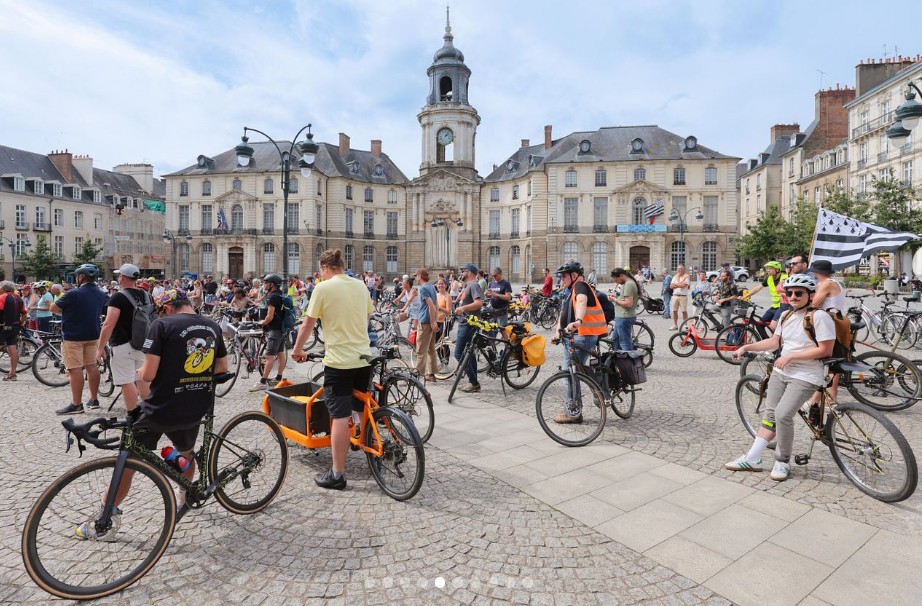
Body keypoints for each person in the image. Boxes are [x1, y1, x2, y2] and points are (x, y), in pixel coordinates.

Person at [74, 288, 229, 539]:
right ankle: (186, 494)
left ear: (166, 307)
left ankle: (105, 519)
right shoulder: (211, 325)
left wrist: (140, 373)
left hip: (161, 408)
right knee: (185, 452)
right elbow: (222, 366)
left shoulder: (162, 325)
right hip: (195, 404)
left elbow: (148, 374)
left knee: (129, 460)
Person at [727, 275, 835, 481]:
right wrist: (746, 347)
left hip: (807, 374)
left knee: (783, 414)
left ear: (811, 295)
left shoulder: (820, 317)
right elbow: (774, 342)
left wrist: (792, 356)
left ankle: (782, 461)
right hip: (781, 372)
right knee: (770, 415)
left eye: (799, 293)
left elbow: (825, 350)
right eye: (790, 292)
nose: (793, 296)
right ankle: (752, 458)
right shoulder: (785, 315)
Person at [292, 249, 374, 490]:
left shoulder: (323, 288)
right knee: (361, 408)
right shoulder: (360, 285)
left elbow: (308, 323)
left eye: (321, 271)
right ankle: (370, 452)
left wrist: (298, 349)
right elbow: (367, 316)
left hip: (339, 361)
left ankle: (337, 474)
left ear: (326, 268)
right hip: (363, 357)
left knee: (339, 416)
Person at [51, 264, 109, 414]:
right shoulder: (101, 293)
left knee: (75, 369)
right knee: (92, 366)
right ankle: (94, 399)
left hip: (73, 336)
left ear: (81, 277)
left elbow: (53, 308)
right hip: (93, 334)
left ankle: (76, 404)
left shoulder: (73, 293)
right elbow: (106, 310)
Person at [554, 261, 607, 423]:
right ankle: (595, 390)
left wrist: (578, 321)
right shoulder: (570, 291)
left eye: (564, 276)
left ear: (574, 275)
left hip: (583, 336)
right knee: (574, 371)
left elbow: (582, 301)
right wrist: (557, 333)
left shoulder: (580, 286)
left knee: (569, 373)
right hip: (574, 337)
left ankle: (573, 412)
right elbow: (563, 314)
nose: (562, 279)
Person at [96, 263, 152, 415]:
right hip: (142, 343)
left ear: (122, 278)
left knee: (126, 382)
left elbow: (109, 323)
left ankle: (132, 414)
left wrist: (100, 348)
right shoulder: (146, 295)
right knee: (142, 379)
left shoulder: (118, 297)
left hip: (122, 343)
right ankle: (149, 412)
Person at [250, 273, 288, 391]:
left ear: (272, 284)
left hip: (275, 329)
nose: (264, 284)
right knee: (280, 353)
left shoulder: (273, 297)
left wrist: (262, 322)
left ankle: (262, 382)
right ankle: (279, 377)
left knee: (269, 356)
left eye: (266, 282)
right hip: (282, 328)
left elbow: (270, 316)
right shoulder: (280, 294)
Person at [453, 263, 484, 393]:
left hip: (468, 325)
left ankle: (474, 382)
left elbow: (479, 303)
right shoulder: (468, 286)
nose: (461, 273)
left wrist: (463, 308)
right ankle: (473, 381)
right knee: (469, 354)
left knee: (458, 353)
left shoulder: (474, 285)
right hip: (465, 323)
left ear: (470, 272)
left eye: (463, 271)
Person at [742, 261, 788, 330]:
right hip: (773, 307)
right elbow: (757, 288)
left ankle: (776, 337)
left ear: (777, 269)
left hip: (782, 307)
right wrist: (745, 296)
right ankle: (766, 337)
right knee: (760, 325)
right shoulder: (769, 278)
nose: (768, 270)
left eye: (770, 268)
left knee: (775, 327)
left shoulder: (785, 278)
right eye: (767, 269)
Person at [413, 268, 439, 382]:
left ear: (420, 276)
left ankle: (416, 377)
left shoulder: (423, 288)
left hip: (425, 322)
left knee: (421, 351)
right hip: (430, 321)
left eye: (416, 276)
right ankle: (431, 375)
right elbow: (436, 305)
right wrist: (435, 321)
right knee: (431, 349)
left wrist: (433, 322)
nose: (415, 278)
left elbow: (431, 306)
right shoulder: (432, 287)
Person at [1, 281, 27, 381]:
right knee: (12, 348)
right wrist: (21, 323)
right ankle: (12, 373)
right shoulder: (19, 298)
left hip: (2, 326)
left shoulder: (3, 297)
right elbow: (24, 313)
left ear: (3, 288)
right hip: (15, 326)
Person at [609, 268, 639, 351]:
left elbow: (628, 304)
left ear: (621, 276)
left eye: (616, 280)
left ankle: (628, 358)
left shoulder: (629, 284)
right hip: (621, 317)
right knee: (616, 340)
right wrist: (617, 298)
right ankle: (619, 357)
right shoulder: (628, 283)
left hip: (624, 317)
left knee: (624, 343)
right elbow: (625, 299)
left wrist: (614, 300)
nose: (617, 282)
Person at [668, 265, 691, 330]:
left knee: (684, 311)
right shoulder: (675, 277)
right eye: (678, 269)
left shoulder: (686, 277)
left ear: (684, 270)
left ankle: (685, 325)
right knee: (674, 311)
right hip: (675, 296)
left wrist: (676, 285)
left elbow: (683, 286)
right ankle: (675, 325)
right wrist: (679, 284)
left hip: (683, 296)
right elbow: (671, 286)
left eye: (681, 269)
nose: (679, 270)